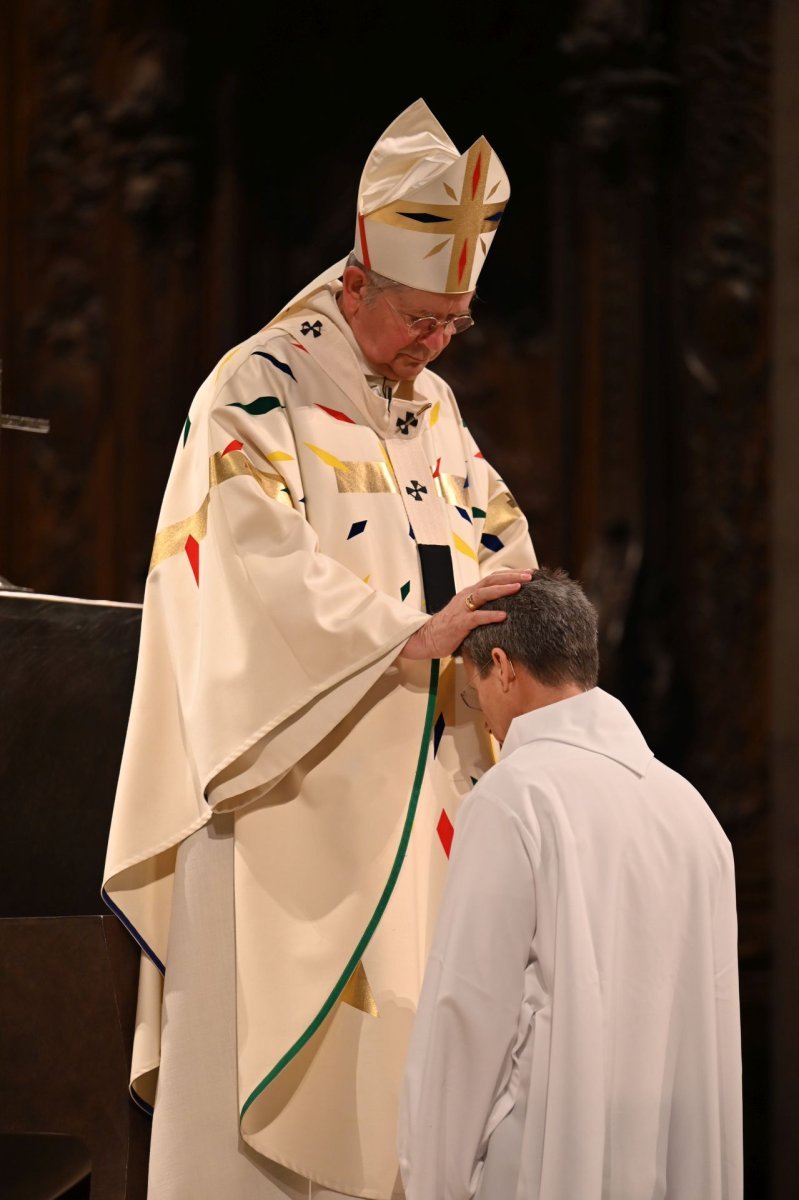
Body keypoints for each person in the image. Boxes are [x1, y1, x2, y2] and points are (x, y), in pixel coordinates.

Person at [102, 99, 536, 1199]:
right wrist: (405, 636)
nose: (436, 344)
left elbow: (498, 538)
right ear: (356, 278)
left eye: (456, 321)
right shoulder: (255, 390)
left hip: (414, 792)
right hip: (288, 790)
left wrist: (500, 616)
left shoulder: (431, 410)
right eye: (419, 318)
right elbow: (246, 576)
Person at [398, 569, 743, 1200]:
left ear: (502, 666)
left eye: (473, 697)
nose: (489, 727)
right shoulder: (694, 815)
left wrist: (434, 1182)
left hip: (543, 1167)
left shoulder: (515, 797)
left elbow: (468, 1017)